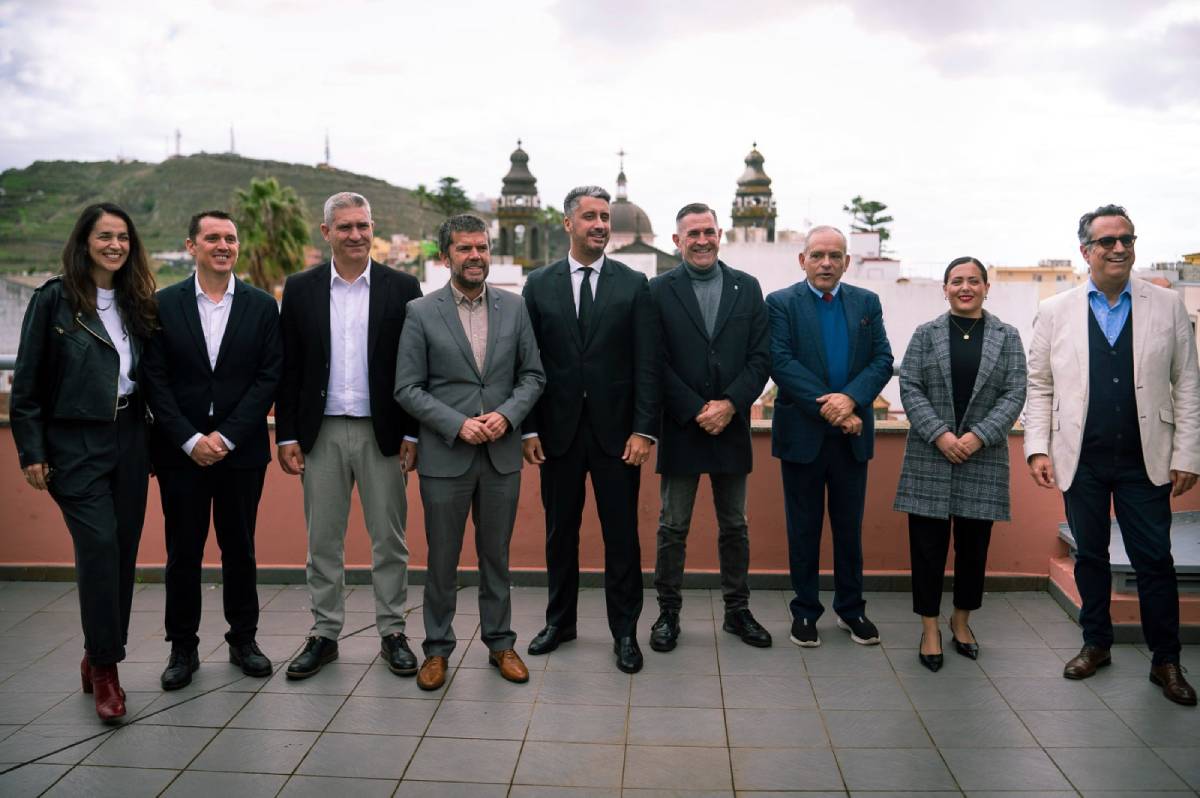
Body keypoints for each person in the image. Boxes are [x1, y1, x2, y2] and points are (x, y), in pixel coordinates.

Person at [1025, 204, 1199, 706]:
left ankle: (1166, 659)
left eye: (1127, 238)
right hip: (1082, 456)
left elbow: (1187, 381)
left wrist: (1187, 452)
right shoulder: (1056, 310)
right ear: (1086, 251)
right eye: (1107, 241)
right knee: (1091, 556)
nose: (1120, 247)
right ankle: (1096, 643)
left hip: (1148, 457)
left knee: (1155, 561)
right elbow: (1039, 385)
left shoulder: (1166, 306)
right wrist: (1038, 447)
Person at [11, 203, 158, 720]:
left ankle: (98, 652)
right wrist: (32, 451)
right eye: (104, 236)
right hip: (75, 444)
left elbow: (151, 376)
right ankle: (106, 670)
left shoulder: (138, 301)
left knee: (121, 553)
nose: (115, 244)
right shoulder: (55, 300)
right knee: (98, 547)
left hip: (130, 438)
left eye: (122, 236)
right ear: (84, 241)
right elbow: (26, 383)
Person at [275, 192, 423, 680]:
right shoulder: (299, 289)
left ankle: (393, 632)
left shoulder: (402, 286)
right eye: (345, 227)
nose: (356, 235)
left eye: (363, 225)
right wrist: (287, 434)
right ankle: (324, 633)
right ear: (326, 233)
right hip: (321, 435)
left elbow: (414, 364)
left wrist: (412, 433)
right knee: (323, 541)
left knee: (390, 541)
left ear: (372, 228)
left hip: (383, 433)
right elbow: (289, 366)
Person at [395, 214, 545, 690]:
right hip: (445, 455)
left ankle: (500, 643)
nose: (475, 256)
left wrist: (507, 417)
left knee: (495, 556)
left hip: (501, 454)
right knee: (442, 558)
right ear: (445, 257)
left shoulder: (514, 307)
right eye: (464, 249)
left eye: (481, 247)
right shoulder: (421, 312)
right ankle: (436, 650)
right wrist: (457, 424)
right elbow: (407, 388)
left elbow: (533, 376)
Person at [139, 210, 282, 689]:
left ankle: (244, 640)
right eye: (213, 238)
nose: (224, 245)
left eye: (231, 238)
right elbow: (154, 379)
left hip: (240, 452)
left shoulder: (263, 306)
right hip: (180, 453)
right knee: (183, 551)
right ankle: (183, 647)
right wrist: (189, 439)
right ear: (191, 246)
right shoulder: (162, 304)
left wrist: (226, 436)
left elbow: (268, 377)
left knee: (240, 547)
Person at [521, 185, 660, 674]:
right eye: (590, 217)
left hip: (618, 436)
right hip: (557, 434)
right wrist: (529, 429)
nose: (600, 224)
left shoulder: (632, 284)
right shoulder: (538, 285)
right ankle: (560, 622)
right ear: (568, 224)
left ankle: (625, 632)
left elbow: (647, 363)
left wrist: (644, 430)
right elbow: (528, 362)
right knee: (561, 533)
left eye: (605, 217)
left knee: (621, 535)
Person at [646, 203, 772, 652]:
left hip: (731, 426)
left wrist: (730, 404)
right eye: (692, 234)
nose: (702, 240)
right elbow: (653, 361)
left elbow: (762, 357)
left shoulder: (747, 286)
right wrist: (697, 408)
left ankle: (738, 612)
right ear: (676, 241)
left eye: (709, 231)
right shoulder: (658, 289)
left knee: (735, 525)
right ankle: (667, 614)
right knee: (672, 526)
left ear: (721, 234)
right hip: (682, 426)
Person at [894, 257, 1026, 671]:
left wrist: (976, 436)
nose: (964, 287)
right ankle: (930, 627)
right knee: (927, 550)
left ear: (987, 287)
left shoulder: (1007, 336)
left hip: (981, 457)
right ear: (945, 288)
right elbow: (909, 385)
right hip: (930, 456)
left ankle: (962, 621)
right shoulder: (925, 334)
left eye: (973, 281)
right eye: (956, 281)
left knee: (973, 549)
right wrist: (941, 435)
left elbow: (1015, 391)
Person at [766, 225, 893, 648]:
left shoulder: (866, 302)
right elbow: (780, 362)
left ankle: (851, 609)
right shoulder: (781, 303)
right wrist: (835, 410)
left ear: (846, 262)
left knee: (848, 530)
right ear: (802, 260)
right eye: (817, 255)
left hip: (851, 439)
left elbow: (882, 359)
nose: (826, 263)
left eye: (834, 256)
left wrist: (852, 399)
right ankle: (805, 613)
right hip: (804, 436)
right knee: (802, 530)